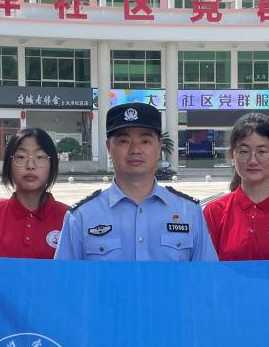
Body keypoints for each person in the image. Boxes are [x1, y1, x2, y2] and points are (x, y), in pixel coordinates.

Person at [55, 102, 216, 261]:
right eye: (124, 141)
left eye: (145, 141)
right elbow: (65, 277)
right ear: (108, 147)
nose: (135, 150)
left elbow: (207, 276)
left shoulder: (189, 212)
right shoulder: (81, 217)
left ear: (159, 146)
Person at [204, 112, 269, 260]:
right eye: (243, 151)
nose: (253, 161)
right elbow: (207, 269)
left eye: (262, 151)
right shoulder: (214, 212)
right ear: (232, 154)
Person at [0, 128, 69, 258]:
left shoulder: (69, 219)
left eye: (40, 157)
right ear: (9, 164)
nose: (30, 165)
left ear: (52, 164)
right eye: (21, 157)